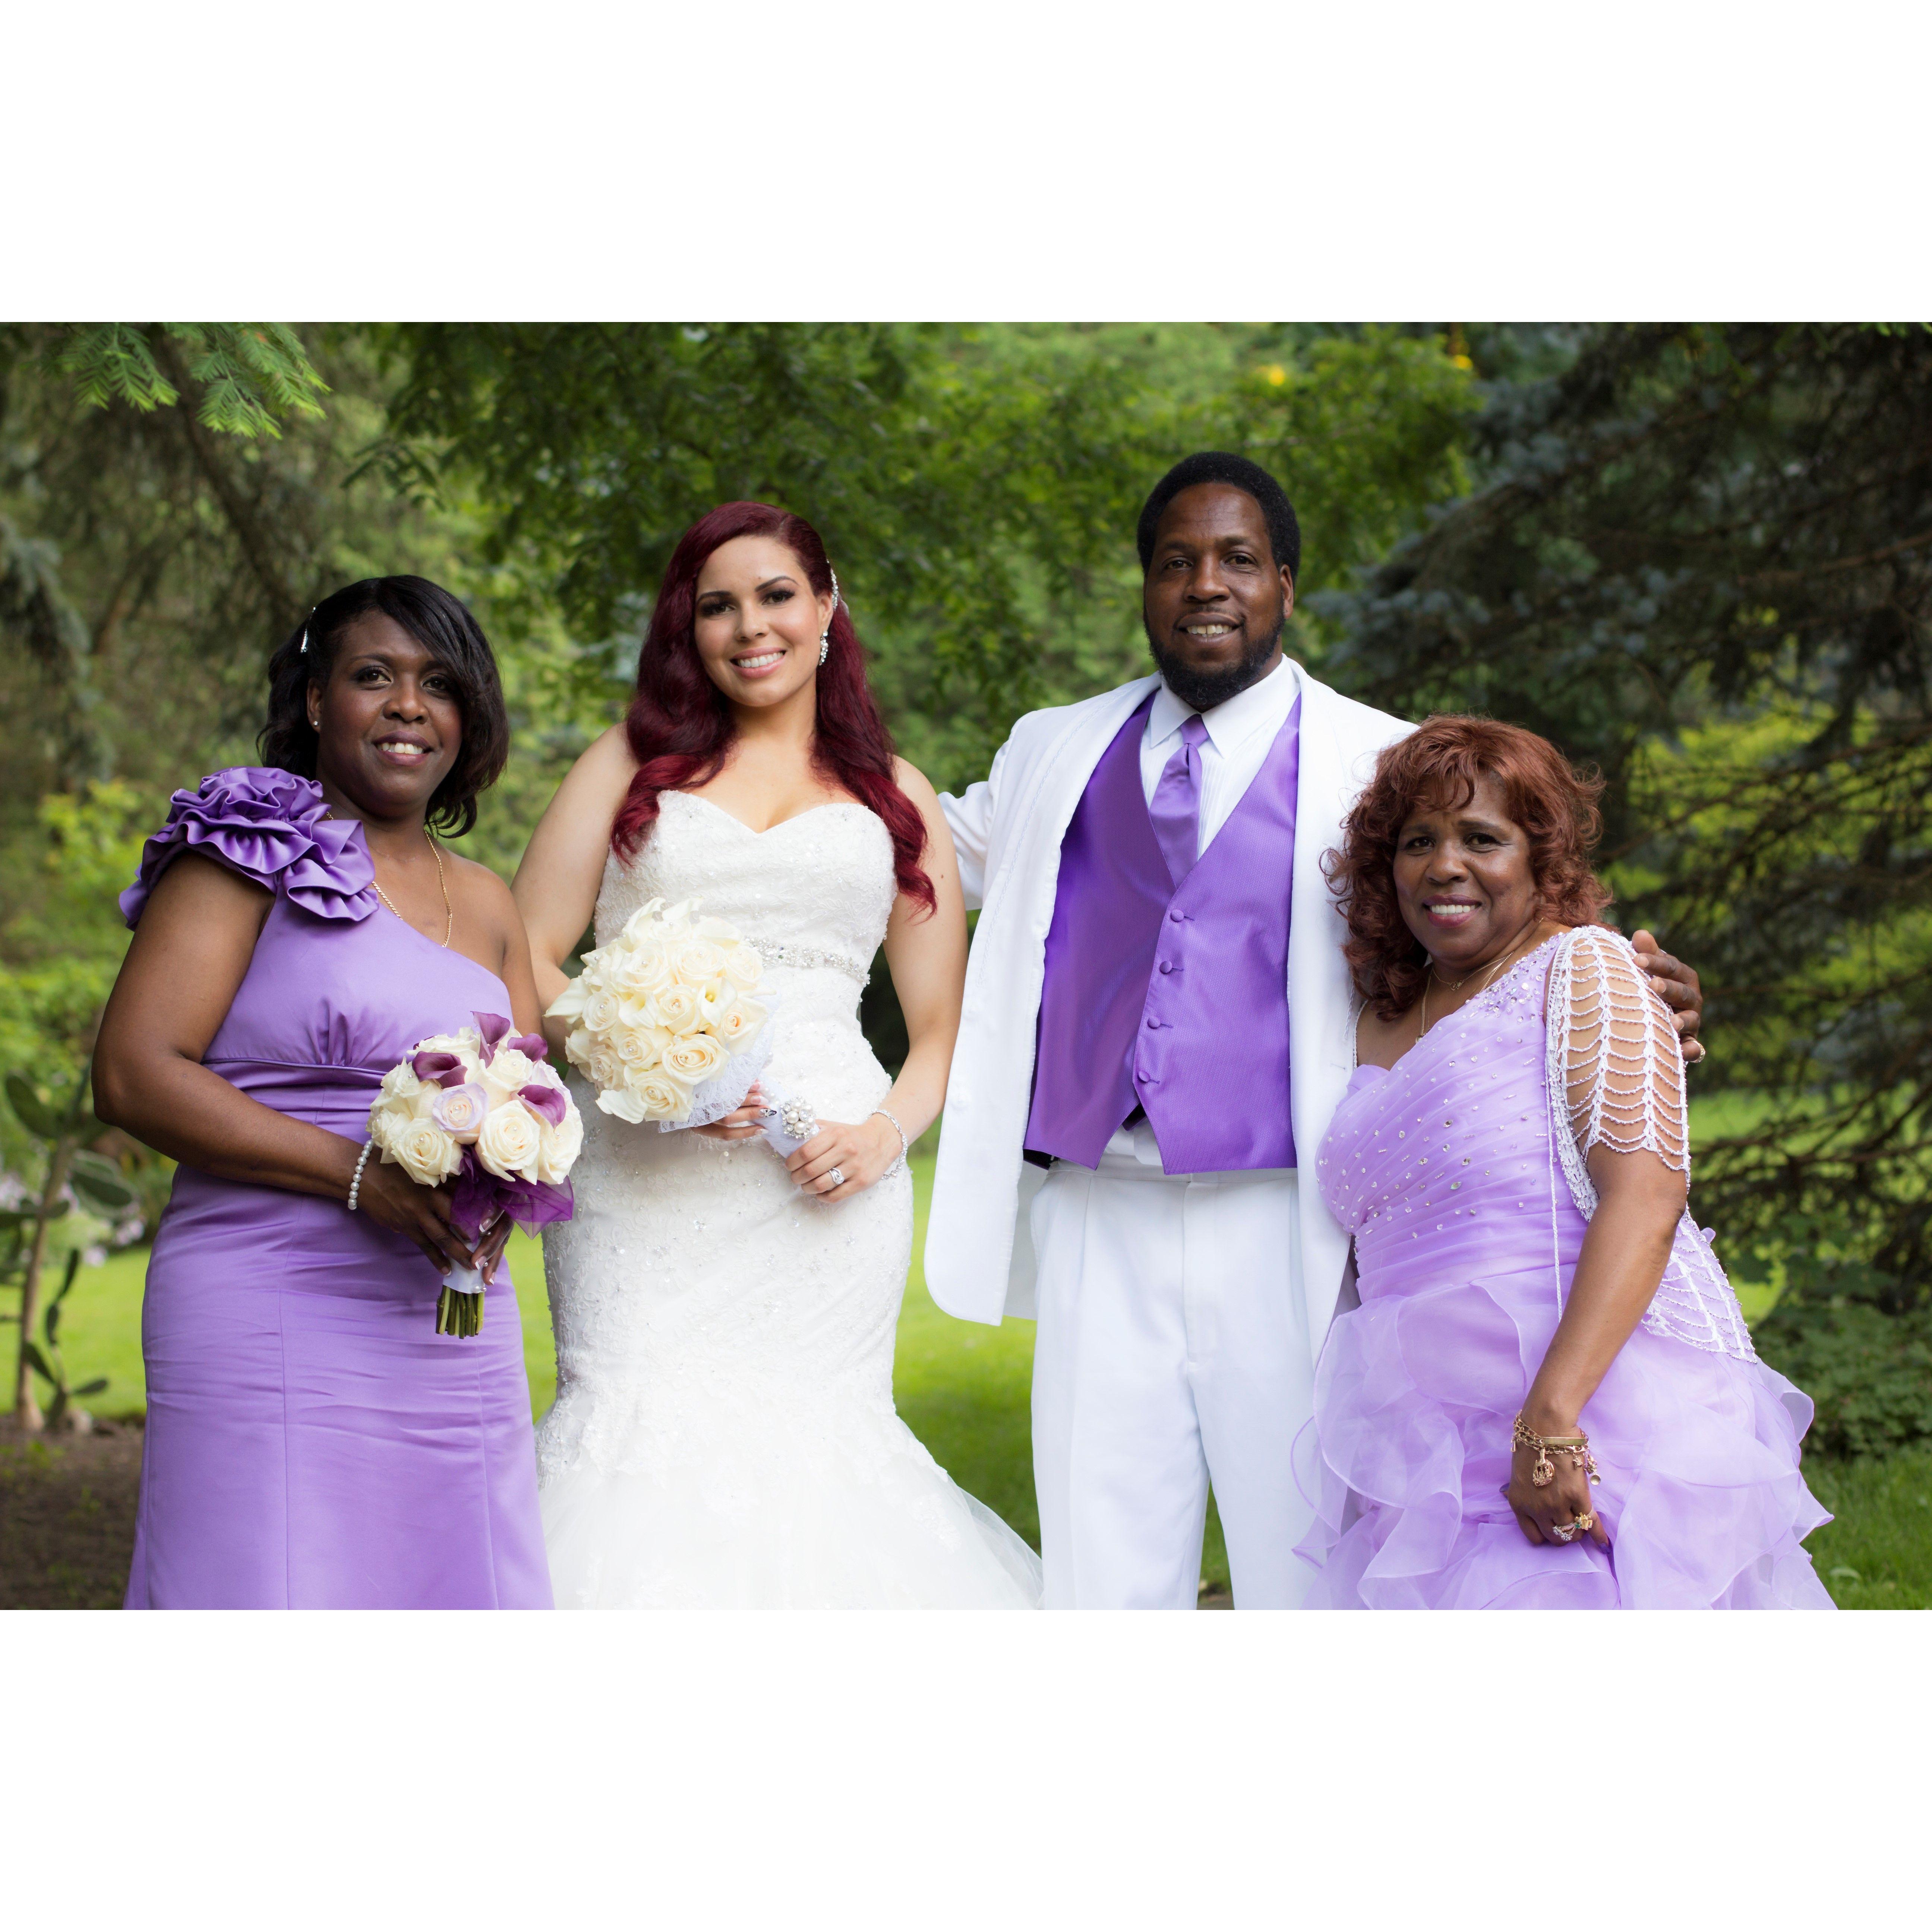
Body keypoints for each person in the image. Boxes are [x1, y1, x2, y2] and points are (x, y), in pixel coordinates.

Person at [927, 452, 1707, 1609]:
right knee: (1097, 1576)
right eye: (1176, 562)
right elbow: (899, 859)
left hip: (1284, 1214)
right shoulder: (1051, 749)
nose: (1207, 584)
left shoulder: (1376, 757)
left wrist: (1636, 980)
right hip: (1098, 1207)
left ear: (1285, 587)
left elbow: (1504, 905)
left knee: (1306, 1561)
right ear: (1143, 586)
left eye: (1238, 560)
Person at [514, 501, 1039, 1607]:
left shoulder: (896, 795)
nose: (750, 626)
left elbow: (940, 1031)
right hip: (642, 1179)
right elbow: (525, 958)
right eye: (717, 606)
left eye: (775, 596)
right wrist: (639, 1068)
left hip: (826, 1177)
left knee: (821, 1450)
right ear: (687, 629)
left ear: (827, 606)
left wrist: (883, 1135)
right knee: (634, 1430)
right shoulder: (628, 763)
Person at [1296, 715, 1831, 1606]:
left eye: (1482, 838)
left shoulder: (1588, 970)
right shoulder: (1372, 1012)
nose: (1444, 865)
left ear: (1541, 859)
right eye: (1417, 841)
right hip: (1422, 1437)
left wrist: (1551, 1422)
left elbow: (1646, 1201)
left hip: (1582, 1404)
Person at [94, 576, 553, 1610]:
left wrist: (500, 1192)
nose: (408, 705)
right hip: (268, 1295)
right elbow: (132, 1072)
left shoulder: (484, 900)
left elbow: (529, 1089)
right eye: (372, 676)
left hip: (448, 1319)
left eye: (438, 683)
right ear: (314, 700)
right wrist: (358, 1175)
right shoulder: (250, 848)